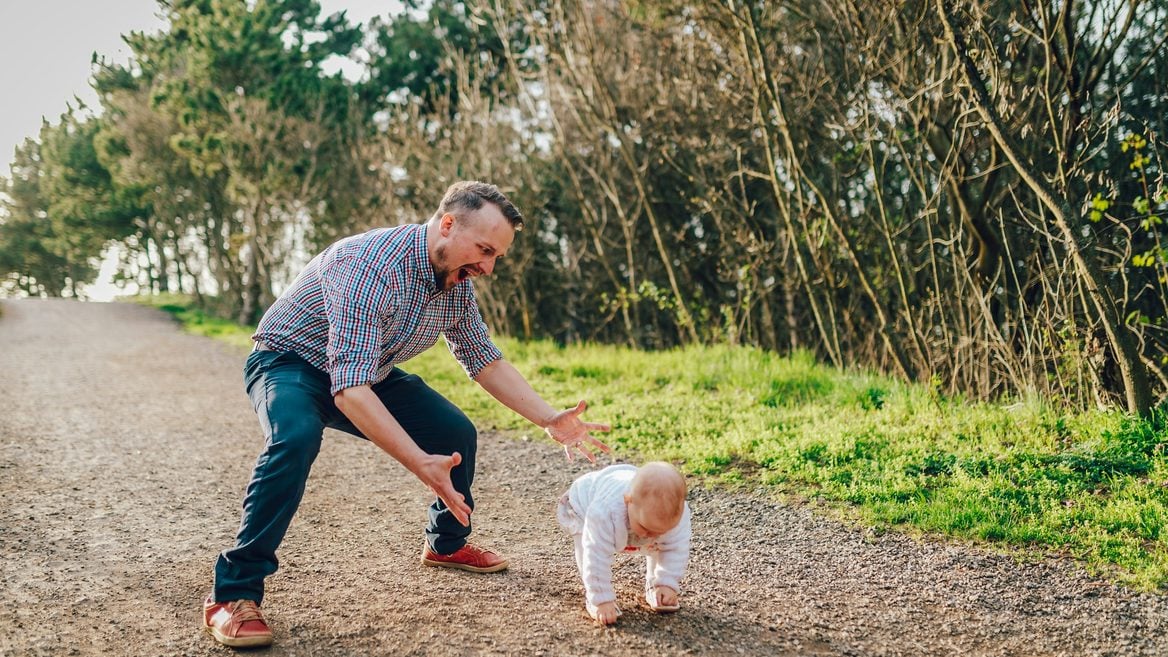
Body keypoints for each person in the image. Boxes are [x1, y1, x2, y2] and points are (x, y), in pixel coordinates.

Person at [203, 181, 612, 648]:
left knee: (454, 431)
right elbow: (349, 392)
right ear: (447, 225)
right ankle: (232, 593)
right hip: (290, 363)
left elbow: (483, 359)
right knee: (294, 438)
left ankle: (446, 544)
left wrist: (548, 418)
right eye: (484, 250)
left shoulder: (455, 282)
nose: (488, 267)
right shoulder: (367, 266)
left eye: (497, 256)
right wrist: (419, 462)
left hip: (366, 369)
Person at [556, 461, 691, 626]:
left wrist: (667, 583)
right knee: (587, 545)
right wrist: (601, 599)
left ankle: (656, 585)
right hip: (583, 503)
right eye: (645, 528)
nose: (652, 535)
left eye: (661, 530)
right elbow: (596, 554)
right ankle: (593, 597)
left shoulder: (674, 515)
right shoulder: (605, 511)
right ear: (628, 501)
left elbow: (676, 549)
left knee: (661, 543)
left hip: (625, 497)